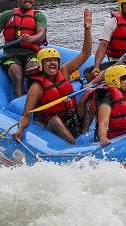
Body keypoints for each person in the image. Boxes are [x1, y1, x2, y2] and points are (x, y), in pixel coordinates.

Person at [12, 9, 93, 144]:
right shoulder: (37, 87)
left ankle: (85, 136)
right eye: (48, 61)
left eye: (55, 60)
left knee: (89, 97)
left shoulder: (64, 71)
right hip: (53, 126)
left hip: (72, 117)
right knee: (55, 120)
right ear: (40, 65)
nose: (52, 63)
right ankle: (74, 146)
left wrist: (87, 29)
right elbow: (26, 115)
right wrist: (20, 130)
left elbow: (85, 53)